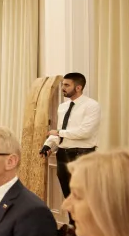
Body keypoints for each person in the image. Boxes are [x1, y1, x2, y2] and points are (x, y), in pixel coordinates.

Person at [40, 72, 101, 201]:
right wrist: (48, 145)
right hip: (62, 154)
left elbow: (85, 132)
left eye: (67, 85)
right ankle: (73, 222)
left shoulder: (92, 105)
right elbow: (62, 131)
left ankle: (84, 222)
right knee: (68, 195)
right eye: (63, 84)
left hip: (82, 155)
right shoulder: (62, 107)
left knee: (83, 196)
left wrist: (58, 133)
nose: (63, 88)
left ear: (78, 87)